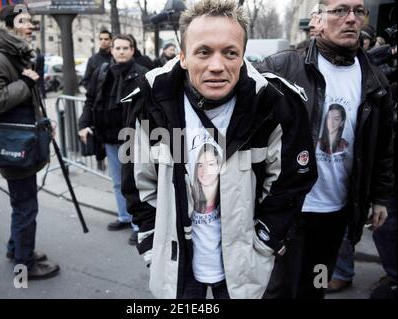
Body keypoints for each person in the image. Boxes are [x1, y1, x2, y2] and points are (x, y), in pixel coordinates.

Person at [121, 0, 317, 299]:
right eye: (203, 52)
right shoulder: (150, 103)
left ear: (242, 56)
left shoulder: (275, 104)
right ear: (183, 57)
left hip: (243, 267)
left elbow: (291, 183)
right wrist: (150, 243)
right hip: (178, 269)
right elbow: (137, 185)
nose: (217, 65)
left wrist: (265, 242)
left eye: (229, 52)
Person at [258, 0, 394, 299]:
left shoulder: (374, 80)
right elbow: (250, 127)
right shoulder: (283, 67)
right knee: (278, 289)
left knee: (316, 284)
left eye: (358, 11)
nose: (350, 19)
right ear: (317, 20)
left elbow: (383, 145)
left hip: (336, 211)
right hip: (288, 207)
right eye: (340, 10)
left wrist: (380, 197)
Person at [0, 4, 60, 279]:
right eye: (23, 21)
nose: (30, 26)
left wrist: (44, 124)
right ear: (8, 25)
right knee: (26, 207)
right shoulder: (1, 57)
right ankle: (25, 264)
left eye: (31, 21)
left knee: (21, 204)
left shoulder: (17, 54)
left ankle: (16, 248)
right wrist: (24, 83)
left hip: (22, 141)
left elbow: (25, 100)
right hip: (14, 146)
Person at [78, 34, 148, 245]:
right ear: (112, 50)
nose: (121, 51)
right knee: (118, 182)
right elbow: (90, 100)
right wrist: (83, 124)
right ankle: (124, 217)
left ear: (132, 50)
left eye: (126, 47)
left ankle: (139, 225)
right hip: (108, 136)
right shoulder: (102, 71)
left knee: (134, 182)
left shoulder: (142, 73)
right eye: (117, 48)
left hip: (132, 138)